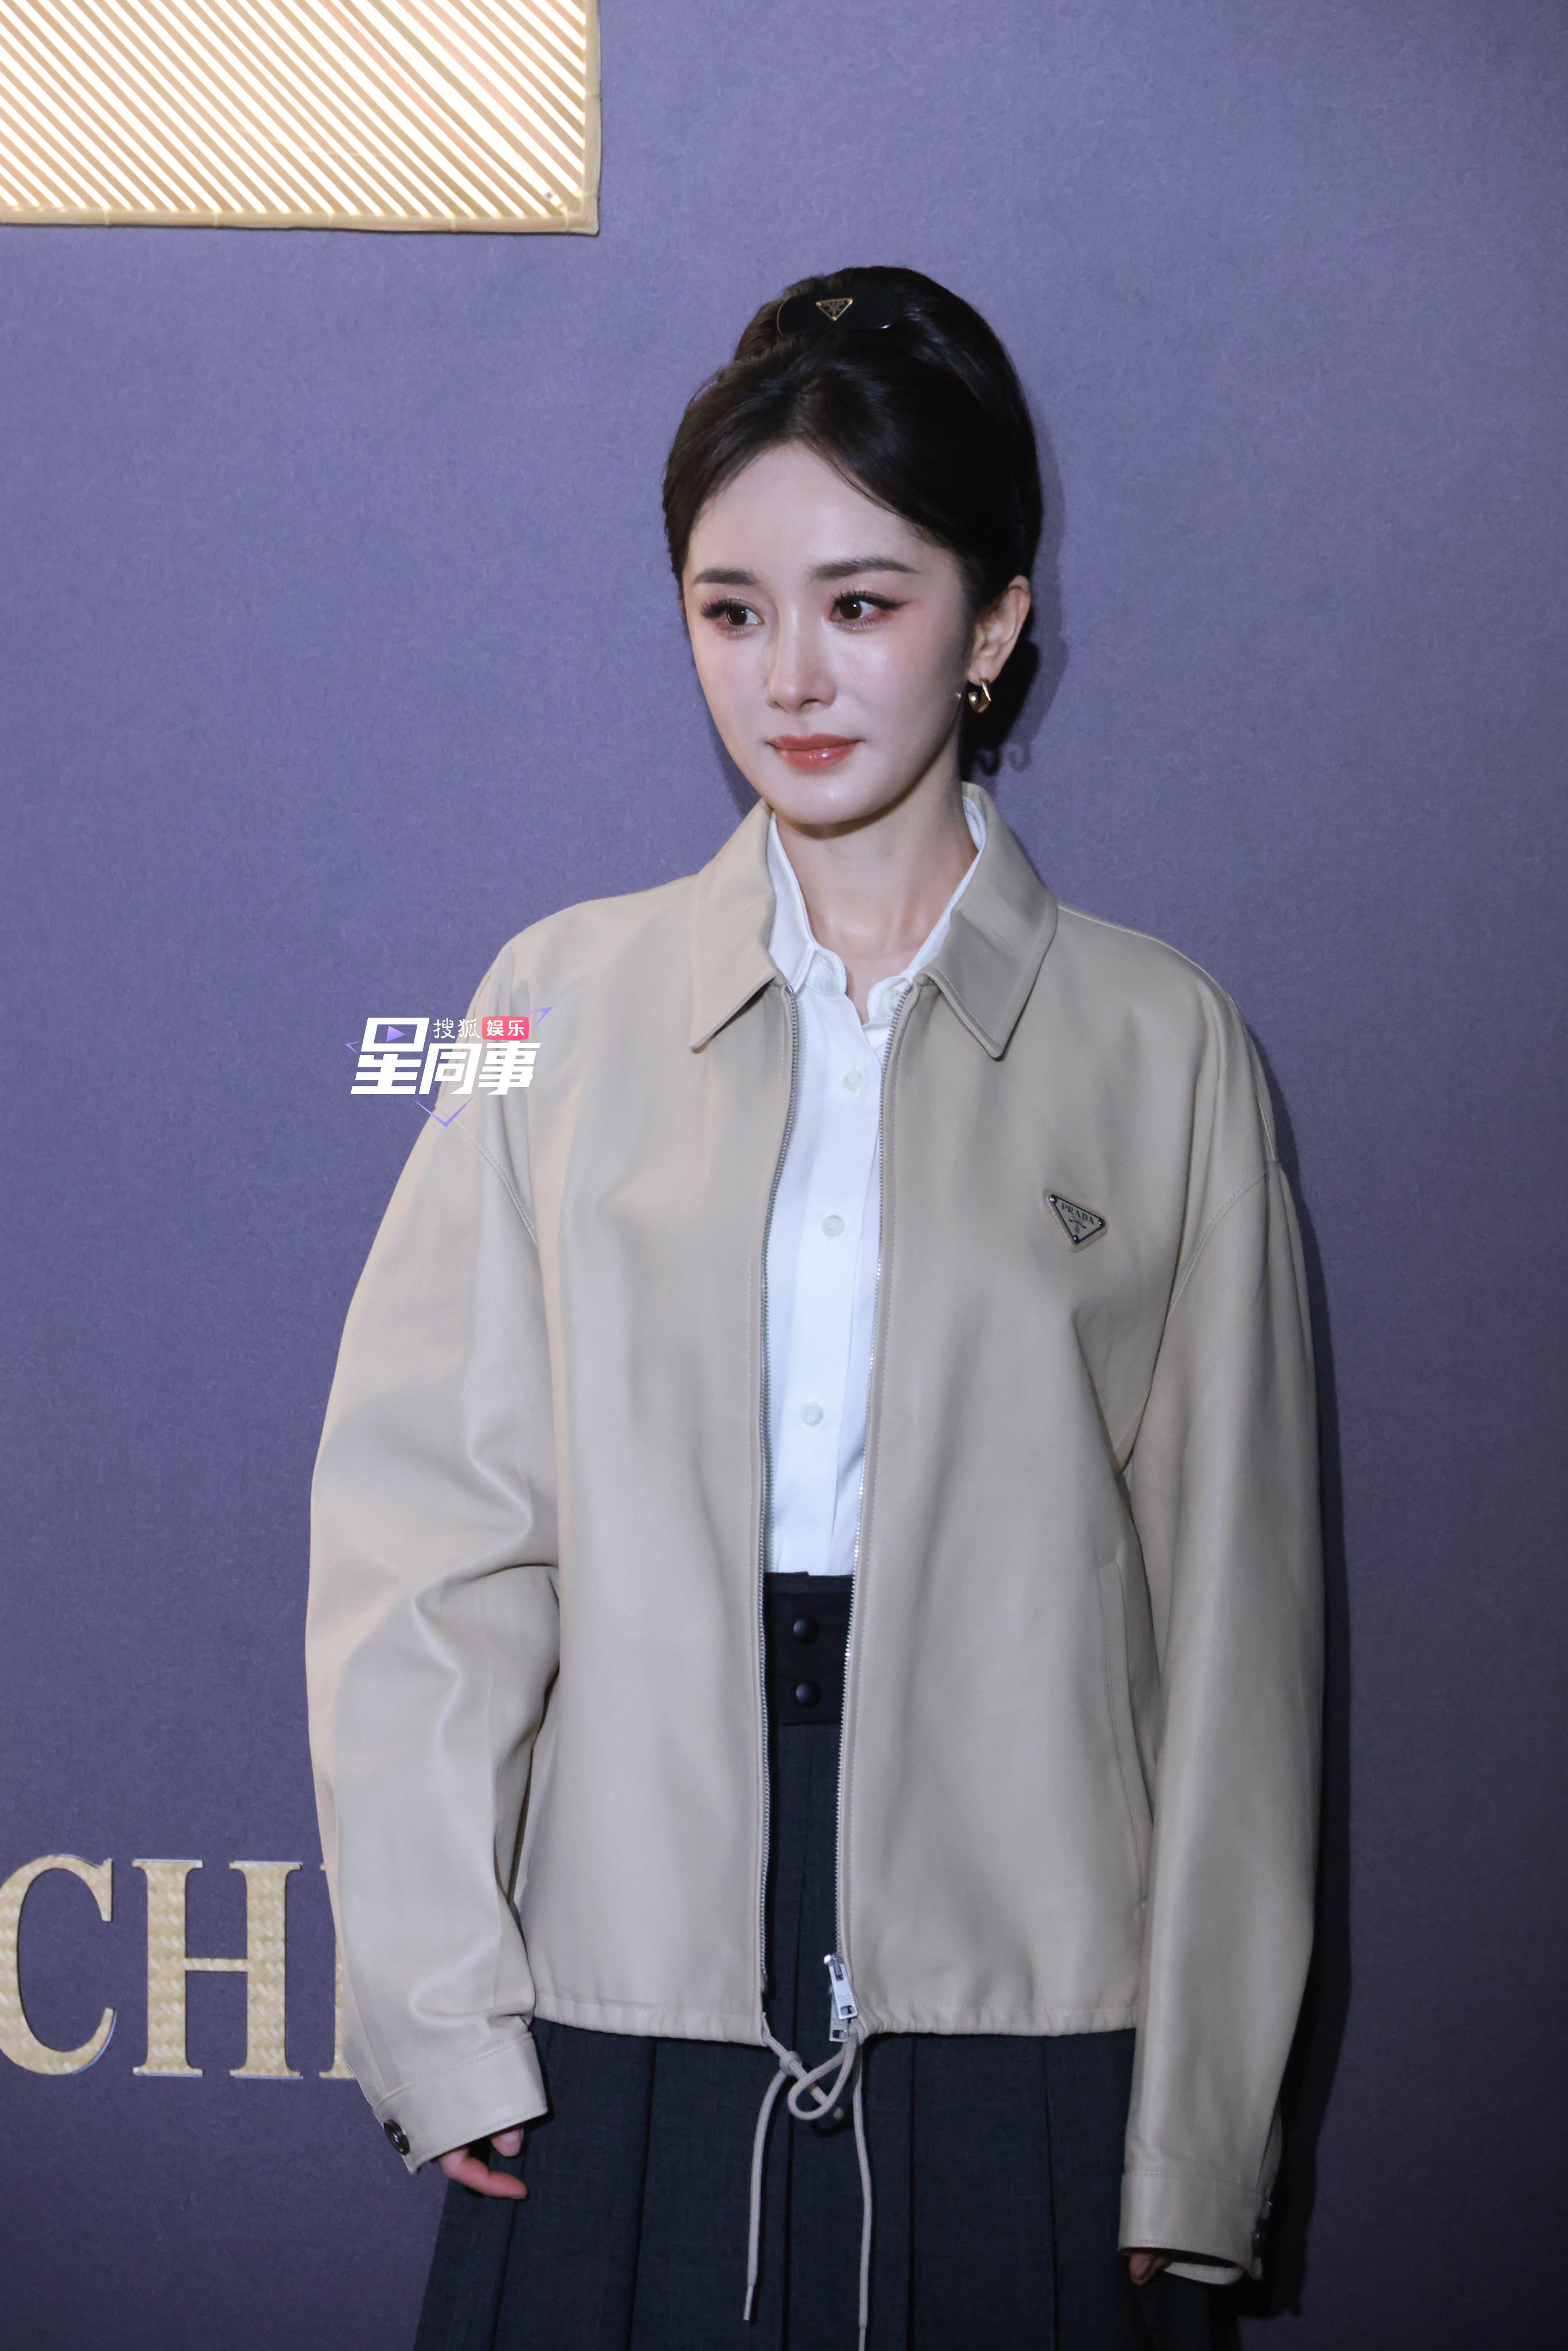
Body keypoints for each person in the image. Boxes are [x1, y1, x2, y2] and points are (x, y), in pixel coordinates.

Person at [306, 264, 1324, 2351]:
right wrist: (436, 2003)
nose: (789, 677)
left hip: (1033, 1997)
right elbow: (423, 1545)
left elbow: (1236, 1635)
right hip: (618, 1973)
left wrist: (1196, 2131)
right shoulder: (537, 1004)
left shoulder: (1165, 1046)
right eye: (729, 609)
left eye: (861, 603)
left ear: (993, 624)